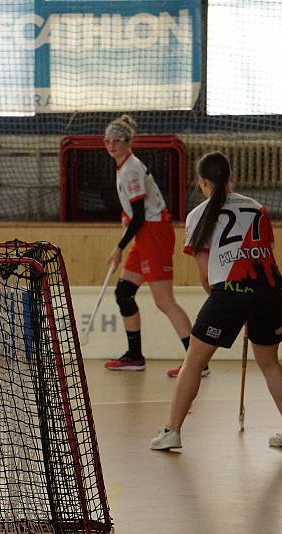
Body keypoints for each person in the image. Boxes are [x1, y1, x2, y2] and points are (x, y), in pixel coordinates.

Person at [150, 151, 282, 451]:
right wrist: (250, 306)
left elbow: (205, 276)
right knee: (271, 363)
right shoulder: (257, 208)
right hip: (270, 291)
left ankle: (172, 431)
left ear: (202, 182)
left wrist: (229, 307)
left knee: (194, 360)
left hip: (231, 291)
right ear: (231, 177)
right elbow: (267, 254)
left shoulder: (198, 215)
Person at [102, 115, 205, 376]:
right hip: (145, 233)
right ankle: (135, 356)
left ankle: (197, 362)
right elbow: (135, 214)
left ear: (128, 143)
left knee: (165, 301)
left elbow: (139, 215)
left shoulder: (131, 169)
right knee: (124, 292)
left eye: (116, 141)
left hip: (154, 233)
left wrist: (119, 247)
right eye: (107, 141)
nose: (111, 145)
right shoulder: (124, 167)